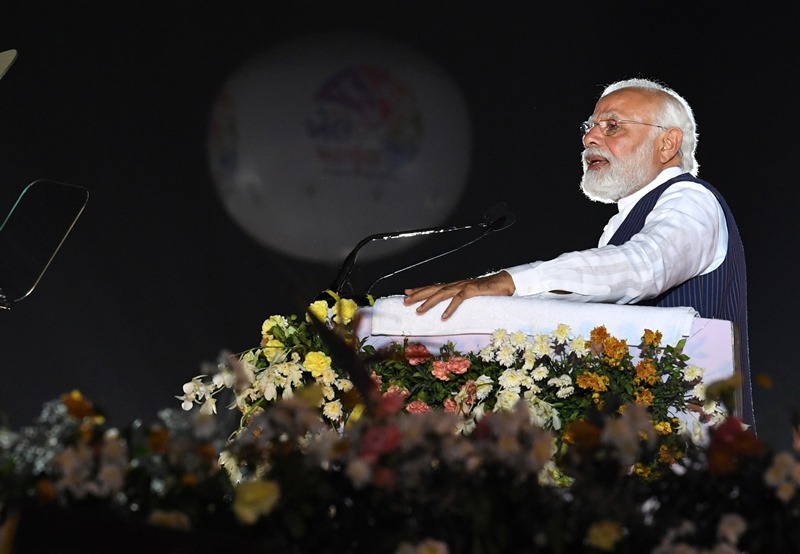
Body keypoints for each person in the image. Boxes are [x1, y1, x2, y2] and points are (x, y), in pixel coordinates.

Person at [403, 77, 754, 431]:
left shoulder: (691, 200)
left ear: (667, 144)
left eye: (612, 126)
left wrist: (510, 282)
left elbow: (643, 266)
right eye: (590, 127)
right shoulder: (624, 222)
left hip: (697, 451)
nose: (589, 138)